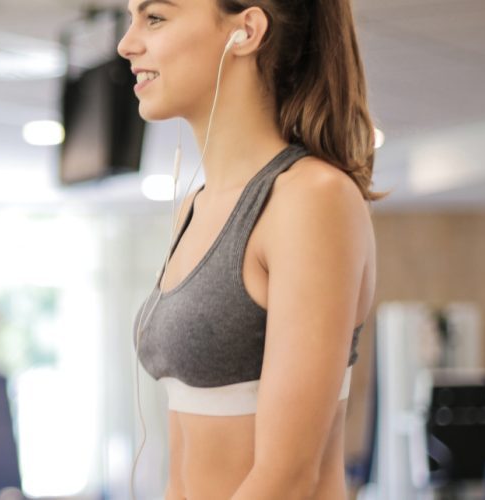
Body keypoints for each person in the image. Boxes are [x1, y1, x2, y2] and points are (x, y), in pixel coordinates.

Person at [119, 0, 381, 498]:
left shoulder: (310, 198)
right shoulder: (195, 206)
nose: (127, 43)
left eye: (154, 17)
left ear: (247, 30)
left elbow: (286, 477)